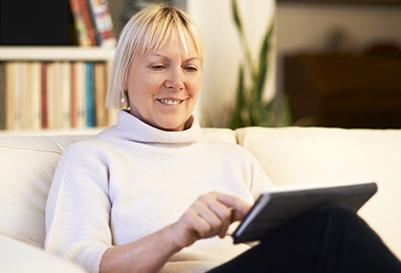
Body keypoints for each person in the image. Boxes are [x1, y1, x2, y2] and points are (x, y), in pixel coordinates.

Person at [45, 5, 401, 273]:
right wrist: (176, 234)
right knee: (331, 227)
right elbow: (74, 265)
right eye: (158, 66)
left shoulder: (233, 159)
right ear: (123, 75)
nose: (177, 81)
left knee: (326, 222)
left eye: (190, 67)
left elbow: (285, 245)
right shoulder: (93, 157)